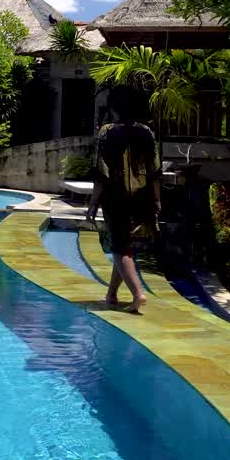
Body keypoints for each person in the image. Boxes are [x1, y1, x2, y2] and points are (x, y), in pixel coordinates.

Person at [86, 84, 161, 312]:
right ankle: (111, 294)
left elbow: (101, 171)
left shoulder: (107, 132)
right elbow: (154, 170)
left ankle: (138, 294)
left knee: (119, 247)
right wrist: (157, 200)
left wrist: (93, 203)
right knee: (125, 245)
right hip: (142, 196)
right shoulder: (146, 132)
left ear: (115, 107)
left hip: (115, 197)